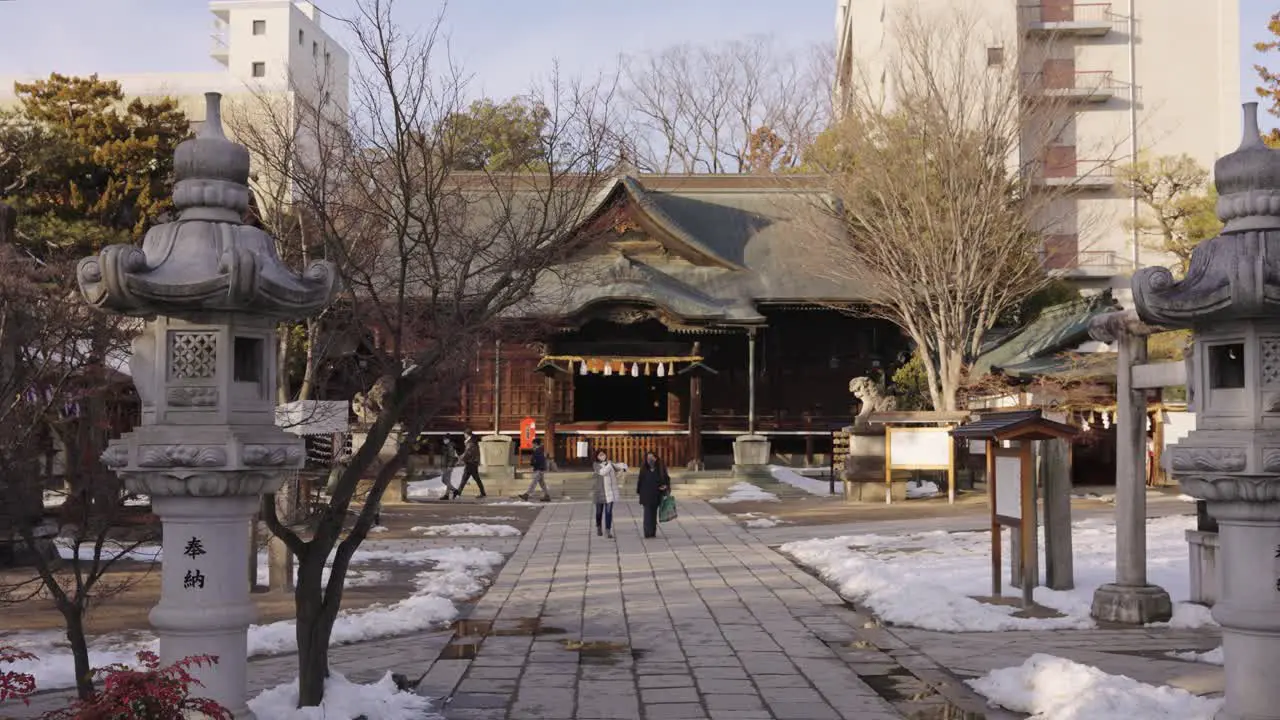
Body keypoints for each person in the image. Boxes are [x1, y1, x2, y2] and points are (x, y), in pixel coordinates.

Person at [592, 449, 625, 539]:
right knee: (599, 512)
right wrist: (610, 465)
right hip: (599, 492)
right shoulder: (596, 465)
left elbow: (619, 466)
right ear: (597, 456)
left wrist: (623, 467)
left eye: (604, 454)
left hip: (610, 492)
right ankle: (598, 526)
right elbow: (603, 472)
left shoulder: (609, 464)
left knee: (609, 512)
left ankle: (608, 530)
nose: (602, 456)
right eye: (600, 455)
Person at [636, 451, 669, 539]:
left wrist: (665, 487)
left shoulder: (660, 468)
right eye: (648, 458)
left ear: (656, 458)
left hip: (657, 494)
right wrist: (639, 492)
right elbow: (640, 481)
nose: (650, 460)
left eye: (652, 458)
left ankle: (653, 531)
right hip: (646, 494)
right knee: (647, 513)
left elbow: (666, 479)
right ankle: (647, 531)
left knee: (653, 514)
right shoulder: (644, 469)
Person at [453, 431, 486, 499]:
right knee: (472, 478)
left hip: (471, 463)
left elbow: (467, 453)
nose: (464, 436)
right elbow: (467, 453)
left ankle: (458, 493)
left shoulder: (471, 443)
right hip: (473, 462)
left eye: (464, 434)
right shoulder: (472, 441)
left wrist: (460, 458)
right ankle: (482, 492)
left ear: (467, 434)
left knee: (466, 478)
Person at [518, 438, 552, 502]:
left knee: (534, 482)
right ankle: (547, 496)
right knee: (542, 484)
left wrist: (534, 465)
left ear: (535, 444)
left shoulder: (538, 450)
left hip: (539, 469)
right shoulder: (539, 450)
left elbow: (537, 461)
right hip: (540, 469)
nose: (532, 445)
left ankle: (527, 494)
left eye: (533, 443)